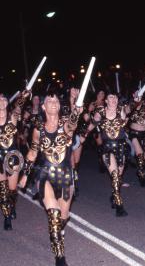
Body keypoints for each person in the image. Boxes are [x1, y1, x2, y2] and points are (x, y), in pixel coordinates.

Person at [19, 88, 82, 266]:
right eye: (49, 101)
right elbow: (32, 152)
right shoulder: (38, 129)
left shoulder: (66, 125)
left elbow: (73, 122)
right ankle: (60, 256)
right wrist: (25, 175)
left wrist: (75, 104)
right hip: (44, 173)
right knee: (53, 215)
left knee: (63, 217)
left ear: (59, 106)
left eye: (56, 101)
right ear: (44, 107)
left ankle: (57, 232)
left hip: (65, 175)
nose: (53, 104)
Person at [91, 90, 129, 217]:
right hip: (107, 148)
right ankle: (119, 205)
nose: (113, 99)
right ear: (106, 100)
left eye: (115, 98)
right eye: (110, 97)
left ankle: (114, 194)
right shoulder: (100, 112)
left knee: (119, 177)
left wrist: (134, 100)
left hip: (121, 148)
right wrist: (83, 134)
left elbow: (127, 111)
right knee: (114, 175)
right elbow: (92, 124)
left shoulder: (121, 110)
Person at [0, 90, 30, 230]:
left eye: (4, 99)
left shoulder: (12, 117)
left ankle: (11, 207)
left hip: (12, 157)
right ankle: (7, 216)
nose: (2, 101)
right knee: (3, 190)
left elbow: (18, 109)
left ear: (7, 102)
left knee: (12, 190)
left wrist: (22, 98)